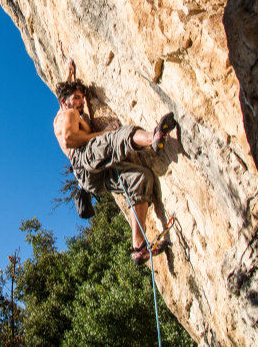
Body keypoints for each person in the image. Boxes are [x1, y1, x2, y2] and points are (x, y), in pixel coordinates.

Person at [53, 79, 177, 265]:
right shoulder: (69, 113)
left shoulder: (66, 115)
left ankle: (139, 247)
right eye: (76, 98)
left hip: (91, 177)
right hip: (83, 158)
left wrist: (70, 70)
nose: (81, 102)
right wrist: (104, 133)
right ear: (64, 102)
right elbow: (69, 140)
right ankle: (154, 137)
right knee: (115, 137)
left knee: (141, 178)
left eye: (81, 98)